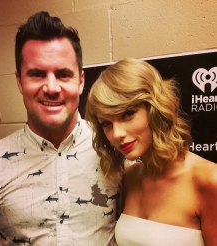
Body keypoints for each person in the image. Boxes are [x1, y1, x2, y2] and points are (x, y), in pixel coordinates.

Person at [0, 11, 119, 245]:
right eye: (37, 74)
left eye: (63, 74)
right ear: (19, 82)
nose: (51, 87)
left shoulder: (117, 151)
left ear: (80, 81)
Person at [85, 58, 217, 246]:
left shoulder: (208, 179)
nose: (117, 134)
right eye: (106, 123)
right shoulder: (130, 177)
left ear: (154, 108)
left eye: (127, 114)